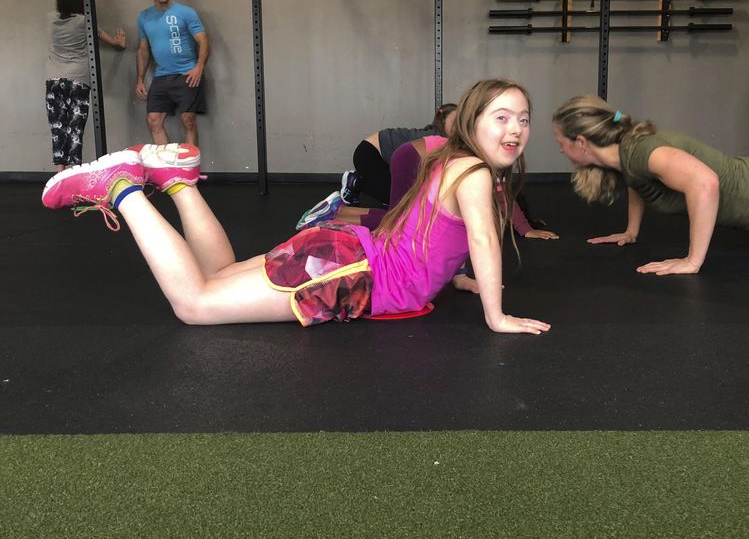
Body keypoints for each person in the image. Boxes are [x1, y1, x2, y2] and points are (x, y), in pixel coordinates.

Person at [40, 79, 551, 335]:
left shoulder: (449, 155)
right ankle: (123, 188)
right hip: (348, 272)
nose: (515, 129)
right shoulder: (478, 171)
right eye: (501, 117)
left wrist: (453, 277)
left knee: (215, 274)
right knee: (195, 306)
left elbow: (434, 227)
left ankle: (179, 184)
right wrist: (496, 314)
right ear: (471, 120)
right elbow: (481, 237)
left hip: (345, 253)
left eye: (524, 119)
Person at [552, 94, 749, 275]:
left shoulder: (640, 152)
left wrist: (692, 261)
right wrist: (631, 231)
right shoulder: (628, 153)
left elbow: (705, 183)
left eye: (560, 141)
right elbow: (637, 182)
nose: (559, 148)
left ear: (581, 141)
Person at [298, 133, 559, 293]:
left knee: (402, 217)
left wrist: (526, 227)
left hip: (416, 155)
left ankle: (337, 212)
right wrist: (525, 229)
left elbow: (502, 202)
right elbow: (488, 217)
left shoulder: (482, 164)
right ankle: (340, 219)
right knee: (400, 219)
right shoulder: (478, 170)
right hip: (412, 158)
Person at [46, 0, 126, 170]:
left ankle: (60, 173)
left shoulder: (49, 18)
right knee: (75, 129)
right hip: (78, 80)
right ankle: (73, 174)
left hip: (54, 80)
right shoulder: (85, 21)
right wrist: (119, 42)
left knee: (58, 128)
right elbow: (113, 42)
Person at [136, 0, 209, 146]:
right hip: (161, 76)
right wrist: (139, 80)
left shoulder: (186, 12)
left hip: (186, 73)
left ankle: (188, 171)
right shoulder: (143, 17)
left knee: (188, 119)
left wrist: (199, 67)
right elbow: (143, 50)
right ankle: (167, 169)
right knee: (153, 120)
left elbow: (203, 41)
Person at [339, 104, 459, 206]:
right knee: (393, 198)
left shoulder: (440, 138)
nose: (458, 126)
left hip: (377, 155)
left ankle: (356, 185)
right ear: (442, 120)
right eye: (455, 122)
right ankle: (355, 181)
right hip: (369, 153)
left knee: (399, 196)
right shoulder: (435, 137)